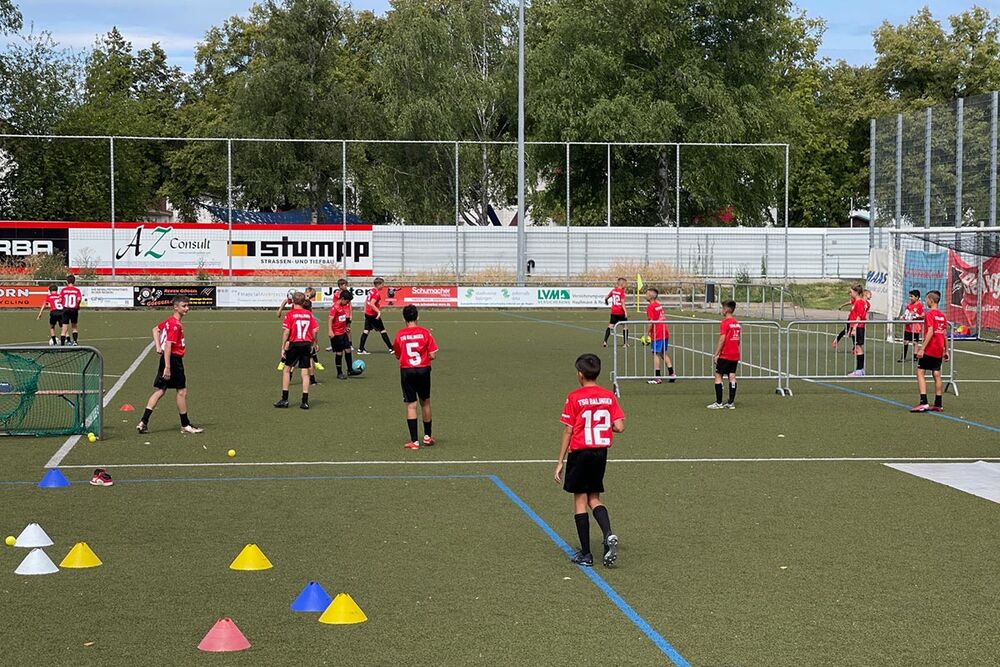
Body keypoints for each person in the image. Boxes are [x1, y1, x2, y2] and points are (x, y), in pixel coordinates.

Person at [554, 353, 625, 568]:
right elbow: (619, 426)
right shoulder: (608, 396)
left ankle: (586, 554)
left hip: (580, 452)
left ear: (580, 374)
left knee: (580, 500)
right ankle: (608, 533)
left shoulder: (574, 397)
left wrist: (560, 461)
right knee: (594, 497)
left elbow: (568, 430)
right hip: (600, 453)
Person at [137, 296, 203, 434]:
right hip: (173, 360)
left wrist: (157, 346)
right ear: (176, 307)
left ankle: (143, 422)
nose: (187, 308)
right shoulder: (175, 325)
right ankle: (185, 425)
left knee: (160, 390)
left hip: (167, 359)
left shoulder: (169, 321)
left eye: (188, 306)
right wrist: (167, 367)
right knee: (181, 391)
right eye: (184, 306)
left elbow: (155, 329)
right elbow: (168, 346)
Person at [393, 304, 438, 450]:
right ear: (417, 316)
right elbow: (433, 355)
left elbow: (397, 355)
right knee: (425, 402)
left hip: (407, 370)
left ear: (403, 318)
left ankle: (414, 441)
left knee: (411, 405)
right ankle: (427, 437)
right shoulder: (425, 333)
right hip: (423, 370)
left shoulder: (400, 334)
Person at [275, 292, 319, 410]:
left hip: (294, 344)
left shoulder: (290, 314)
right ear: (304, 302)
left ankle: (285, 399)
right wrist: (314, 343)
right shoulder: (309, 314)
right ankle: (305, 401)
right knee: (305, 373)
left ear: (293, 301)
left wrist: (283, 346)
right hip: (306, 344)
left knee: (286, 370)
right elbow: (315, 330)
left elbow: (286, 332)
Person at [911, 290, 949, 413]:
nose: (925, 301)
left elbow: (931, 331)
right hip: (939, 348)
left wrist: (922, 348)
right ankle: (938, 404)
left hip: (930, 348)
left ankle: (923, 402)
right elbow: (944, 334)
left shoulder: (929, 314)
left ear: (931, 301)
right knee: (936, 374)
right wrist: (946, 350)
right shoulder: (942, 315)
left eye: (927, 299)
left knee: (920, 372)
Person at [709, 300, 741, 409]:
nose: (721, 310)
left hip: (726, 354)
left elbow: (722, 339)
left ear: (726, 310)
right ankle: (731, 402)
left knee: (718, 375)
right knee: (732, 375)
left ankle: (719, 402)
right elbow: (738, 339)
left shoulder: (725, 323)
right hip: (735, 354)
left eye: (722, 308)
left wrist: (716, 353)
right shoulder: (736, 323)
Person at [644, 287, 675, 384]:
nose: (645, 295)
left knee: (656, 354)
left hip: (658, 332)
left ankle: (657, 377)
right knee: (662, 353)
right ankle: (672, 373)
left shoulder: (650, 307)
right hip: (664, 331)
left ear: (651, 296)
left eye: (647, 294)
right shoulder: (658, 305)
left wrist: (646, 334)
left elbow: (651, 322)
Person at [358, 277, 394, 354]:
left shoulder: (371, 291)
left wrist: (365, 311)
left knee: (366, 330)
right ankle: (391, 348)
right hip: (373, 315)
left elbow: (366, 301)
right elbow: (372, 304)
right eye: (383, 284)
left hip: (368, 313)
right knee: (382, 330)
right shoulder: (376, 293)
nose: (383, 286)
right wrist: (378, 312)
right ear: (379, 284)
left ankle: (360, 349)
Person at [329, 290, 360, 379]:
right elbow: (330, 319)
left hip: (343, 332)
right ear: (342, 298)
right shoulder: (335, 307)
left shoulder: (342, 306)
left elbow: (341, 319)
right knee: (339, 353)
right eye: (347, 301)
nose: (347, 303)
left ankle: (350, 370)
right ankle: (339, 373)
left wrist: (346, 327)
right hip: (336, 334)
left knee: (348, 350)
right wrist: (330, 331)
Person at [846, 284, 868, 377]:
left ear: (856, 292)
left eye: (851, 292)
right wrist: (850, 329)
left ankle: (859, 370)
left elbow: (859, 316)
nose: (850, 294)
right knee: (857, 347)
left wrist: (854, 327)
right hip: (856, 326)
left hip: (858, 327)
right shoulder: (856, 302)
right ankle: (860, 369)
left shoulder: (859, 302)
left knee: (858, 348)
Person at [899, 289, 924, 362]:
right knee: (905, 341)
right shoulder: (909, 305)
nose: (910, 298)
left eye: (912, 296)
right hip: (908, 327)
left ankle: (915, 357)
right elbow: (906, 313)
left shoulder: (919, 305)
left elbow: (923, 315)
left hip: (915, 327)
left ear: (917, 297)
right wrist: (903, 317)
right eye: (910, 296)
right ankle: (903, 357)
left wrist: (916, 316)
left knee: (915, 342)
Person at [602, 277, 628, 348]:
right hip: (620, 312)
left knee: (610, 326)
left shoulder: (613, 291)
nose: (626, 285)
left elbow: (606, 297)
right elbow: (622, 302)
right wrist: (625, 312)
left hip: (614, 312)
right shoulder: (622, 292)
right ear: (622, 284)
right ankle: (625, 343)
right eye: (625, 284)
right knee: (625, 326)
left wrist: (606, 302)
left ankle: (605, 342)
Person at [58, 274, 83, 346]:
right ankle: (75, 342)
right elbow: (79, 299)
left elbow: (60, 300)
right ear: (74, 282)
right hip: (74, 309)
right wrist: (77, 305)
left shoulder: (63, 290)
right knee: (74, 327)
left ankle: (62, 345)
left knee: (64, 327)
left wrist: (63, 303)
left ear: (67, 282)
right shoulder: (77, 290)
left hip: (66, 309)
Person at [326, 279, 350, 350]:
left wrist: (350, 314)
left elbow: (349, 304)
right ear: (340, 286)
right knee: (335, 328)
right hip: (338, 313)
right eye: (345, 285)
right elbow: (336, 304)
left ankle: (349, 344)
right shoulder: (338, 294)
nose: (346, 286)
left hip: (345, 313)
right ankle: (333, 344)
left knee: (347, 329)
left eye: (346, 285)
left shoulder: (346, 294)